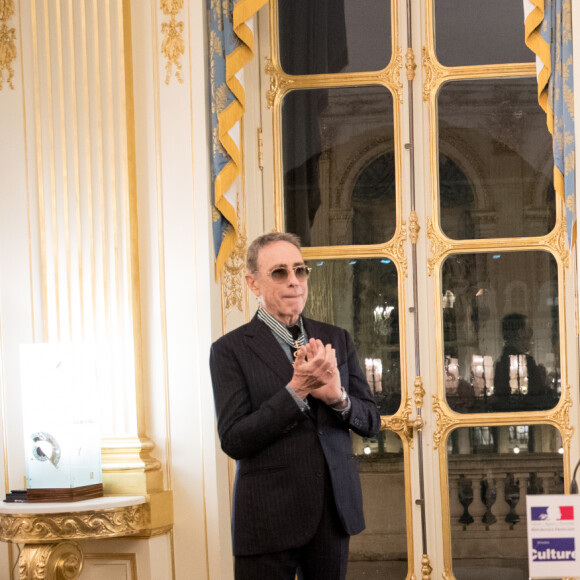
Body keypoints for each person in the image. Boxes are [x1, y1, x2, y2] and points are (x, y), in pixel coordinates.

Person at [210, 232, 381, 580]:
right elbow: (234, 439)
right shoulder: (230, 350)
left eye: (300, 271)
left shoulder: (336, 338)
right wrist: (296, 390)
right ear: (253, 283)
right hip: (267, 517)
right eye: (279, 273)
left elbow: (371, 422)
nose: (294, 282)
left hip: (333, 514)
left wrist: (337, 398)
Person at [493, 313, 548, 411]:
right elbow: (537, 400)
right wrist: (542, 381)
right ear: (520, 333)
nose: (531, 335)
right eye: (528, 330)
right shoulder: (527, 363)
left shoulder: (499, 364)